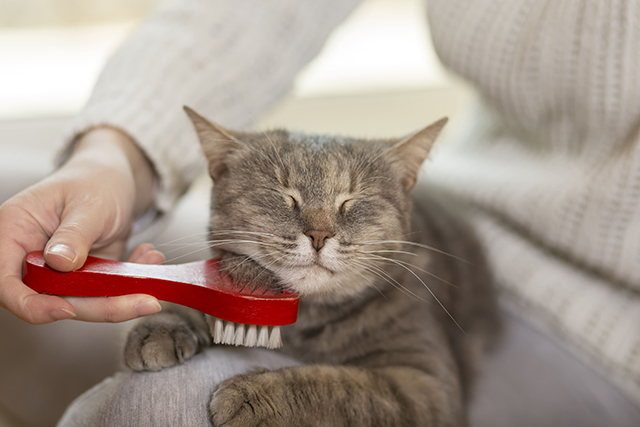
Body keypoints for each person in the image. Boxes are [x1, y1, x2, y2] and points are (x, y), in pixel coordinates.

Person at [1, 0, 640, 425]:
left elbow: (427, 398)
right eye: (290, 206)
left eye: (346, 212)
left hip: (604, 333)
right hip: (483, 187)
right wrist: (114, 154)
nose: (319, 234)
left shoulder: (404, 283)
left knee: (168, 402)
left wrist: (297, 397)